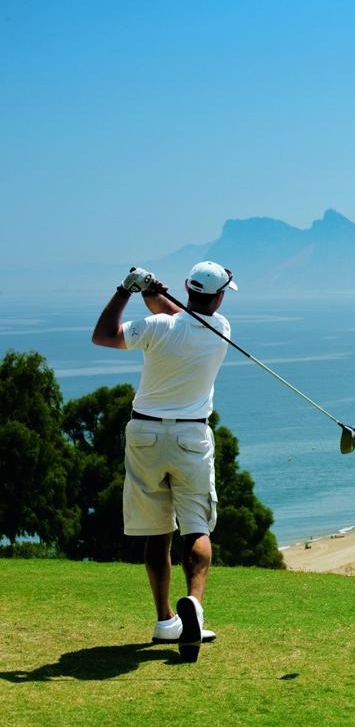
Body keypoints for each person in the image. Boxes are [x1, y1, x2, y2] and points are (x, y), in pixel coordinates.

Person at [92, 261, 238, 663]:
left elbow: (103, 336)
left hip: (145, 434)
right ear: (219, 296)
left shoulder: (156, 327)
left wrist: (128, 289)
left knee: (158, 533)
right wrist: (152, 290)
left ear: (188, 290)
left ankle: (164, 621)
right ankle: (194, 600)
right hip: (191, 436)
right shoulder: (220, 329)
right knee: (197, 527)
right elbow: (179, 315)